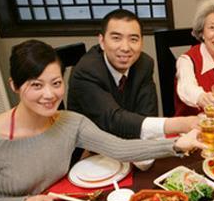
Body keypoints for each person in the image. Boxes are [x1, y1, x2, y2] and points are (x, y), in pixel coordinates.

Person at [0, 40, 205, 201]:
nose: (49, 95)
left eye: (56, 83)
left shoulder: (70, 122)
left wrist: (176, 144)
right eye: (36, 85)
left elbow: (118, 148)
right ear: (15, 86)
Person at [68, 9, 198, 140]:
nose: (125, 47)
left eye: (133, 39)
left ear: (141, 42)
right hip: (90, 148)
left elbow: (148, 114)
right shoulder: (87, 71)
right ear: (102, 41)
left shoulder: (144, 64)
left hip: (131, 142)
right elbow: (113, 120)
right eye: (116, 38)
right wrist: (180, 124)